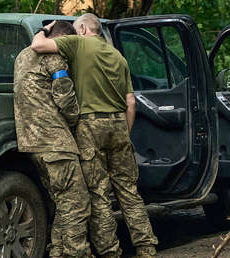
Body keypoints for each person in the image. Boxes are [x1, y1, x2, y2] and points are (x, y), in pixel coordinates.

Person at [31, 14, 158, 258]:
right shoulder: (119, 57)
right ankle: (146, 247)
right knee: (129, 192)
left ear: (82, 29)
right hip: (119, 126)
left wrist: (44, 28)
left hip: (89, 127)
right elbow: (131, 103)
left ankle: (111, 251)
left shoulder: (79, 43)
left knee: (99, 194)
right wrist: (124, 134)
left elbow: (38, 45)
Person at [13, 21, 92, 258]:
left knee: (62, 202)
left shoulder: (21, 56)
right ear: (61, 41)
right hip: (55, 143)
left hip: (30, 142)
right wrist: (76, 119)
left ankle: (58, 251)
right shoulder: (55, 58)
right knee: (78, 203)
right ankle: (77, 254)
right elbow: (65, 99)